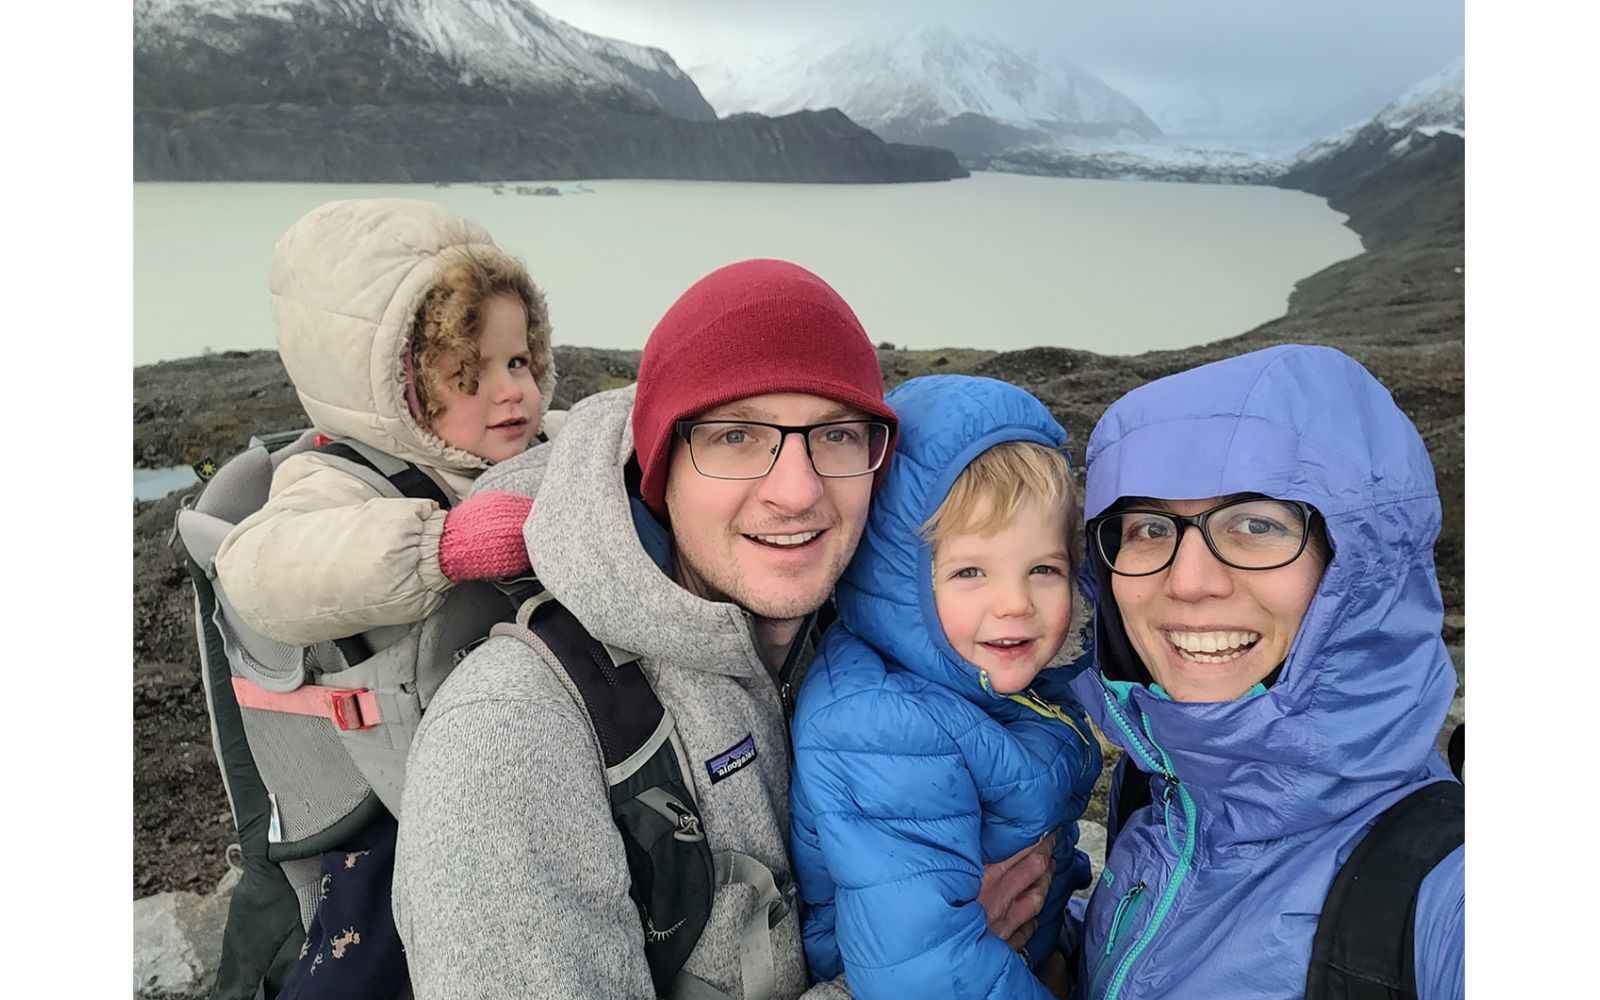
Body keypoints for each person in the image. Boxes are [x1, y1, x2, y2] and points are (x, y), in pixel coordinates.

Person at [393, 260, 1055, 999]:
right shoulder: (514, 736)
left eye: (835, 435)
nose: (797, 492)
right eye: (736, 435)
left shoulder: (883, 635)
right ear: (660, 462)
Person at [1068, 344, 1464, 999]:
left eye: (1257, 523)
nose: (1189, 582)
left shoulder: (1448, 897)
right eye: (1146, 528)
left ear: (1366, 566)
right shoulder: (1163, 791)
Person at [789, 374, 1102, 1000]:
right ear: (897, 576)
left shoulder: (985, 679)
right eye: (969, 571)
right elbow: (929, 977)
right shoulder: (884, 727)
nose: (1015, 604)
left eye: (1043, 568)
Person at [216, 198, 556, 647]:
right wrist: (438, 547)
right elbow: (257, 573)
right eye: (466, 375)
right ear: (399, 388)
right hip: (439, 711)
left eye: (517, 361)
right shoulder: (340, 481)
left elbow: (619, 436)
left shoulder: (548, 436)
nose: (511, 390)